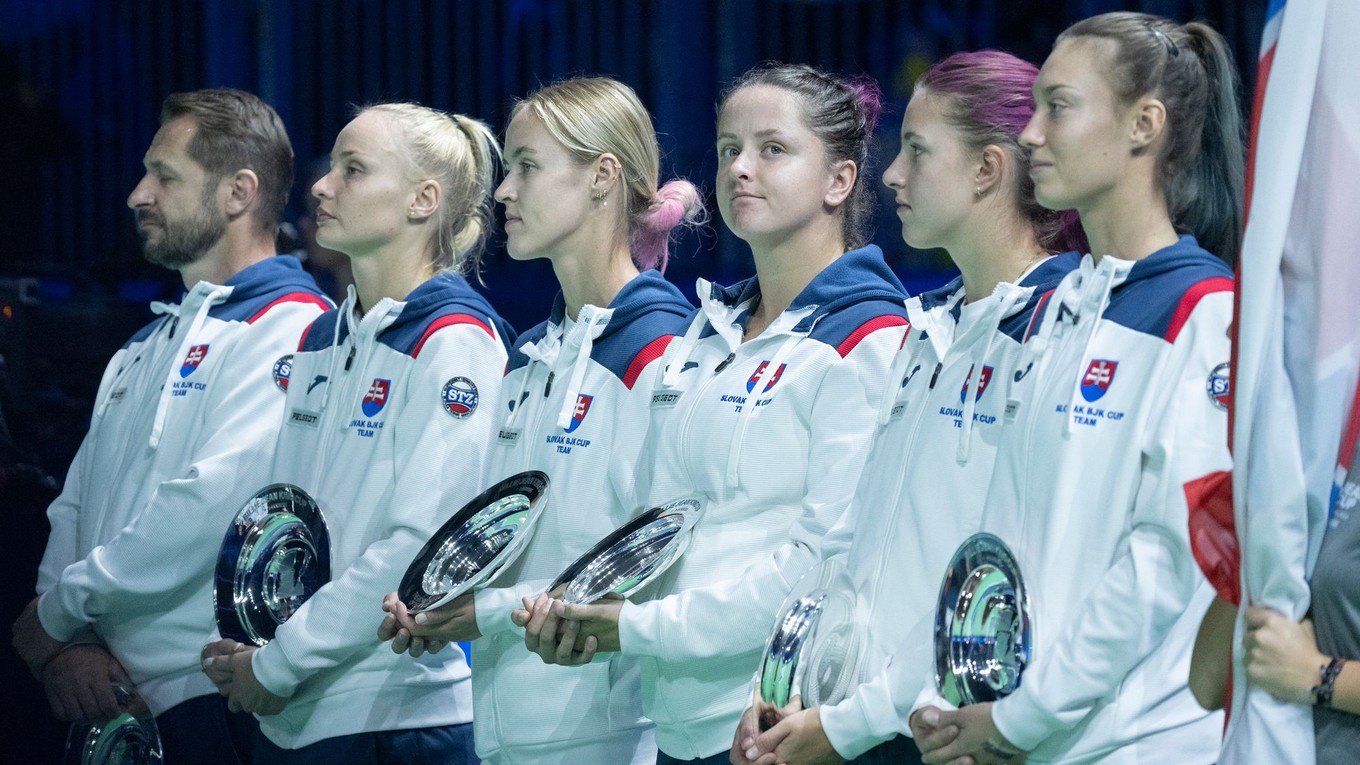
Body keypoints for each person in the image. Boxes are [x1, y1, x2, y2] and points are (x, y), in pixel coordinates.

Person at [519, 63, 910, 765]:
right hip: (679, 723)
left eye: (773, 149)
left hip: (777, 724)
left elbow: (824, 564)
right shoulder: (705, 332)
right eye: (730, 149)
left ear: (840, 181)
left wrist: (640, 627)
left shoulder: (868, 339)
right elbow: (655, 519)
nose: (741, 169)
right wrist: (578, 606)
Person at [730, 50, 1084, 765]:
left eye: (918, 151)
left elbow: (1012, 587)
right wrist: (786, 677)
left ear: (988, 170)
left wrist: (849, 723)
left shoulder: (1057, 335)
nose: (892, 174)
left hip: (947, 732)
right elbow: (857, 542)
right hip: (863, 723)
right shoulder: (926, 331)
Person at [910, 11, 1243, 764]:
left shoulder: (1205, 311)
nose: (1029, 134)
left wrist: (1018, 717)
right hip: (1030, 737)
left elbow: (1162, 565)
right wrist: (971, 694)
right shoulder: (1057, 307)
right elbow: (1013, 535)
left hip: (1140, 744)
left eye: (1057, 107)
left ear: (1143, 126)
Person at [376, 75, 702, 765]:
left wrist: (483, 613)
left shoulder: (666, 349)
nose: (503, 191)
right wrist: (442, 603)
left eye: (527, 166)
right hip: (504, 734)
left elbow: (648, 560)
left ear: (601, 177)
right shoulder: (528, 353)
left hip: (615, 737)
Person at [10, 88, 330, 764]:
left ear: (239, 192)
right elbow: (73, 505)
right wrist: (70, 642)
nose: (137, 194)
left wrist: (55, 615)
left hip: (214, 702)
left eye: (165, 176)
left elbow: (208, 508)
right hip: (109, 699)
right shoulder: (145, 342)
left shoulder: (297, 330)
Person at [199, 102, 514, 764]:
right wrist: (251, 640)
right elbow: (283, 525)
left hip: (393, 713)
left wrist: (278, 663)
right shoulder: (321, 336)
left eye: (354, 169)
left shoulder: (455, 338)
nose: (321, 186)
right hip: (292, 709)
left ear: (423, 200)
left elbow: (415, 548)